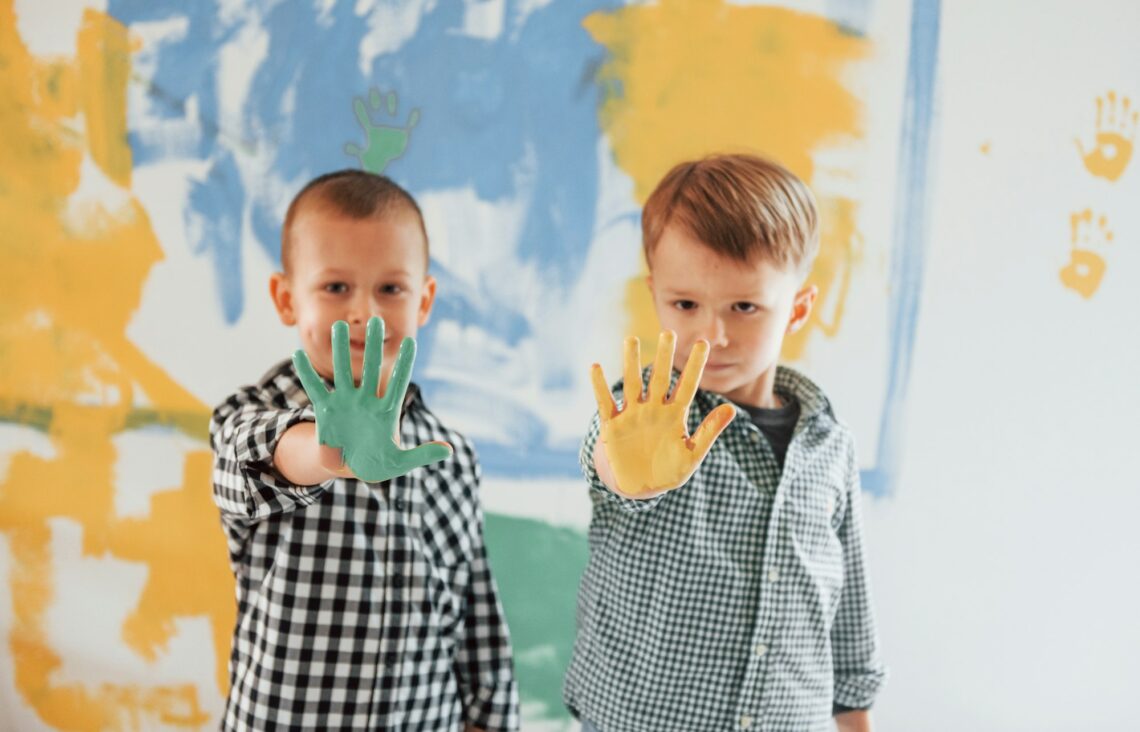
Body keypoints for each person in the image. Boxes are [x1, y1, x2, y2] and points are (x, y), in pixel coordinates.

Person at [564, 154, 886, 732]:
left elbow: (849, 625)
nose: (711, 336)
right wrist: (626, 473)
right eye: (685, 305)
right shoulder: (642, 418)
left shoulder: (830, 446)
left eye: (744, 307)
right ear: (655, 292)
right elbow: (611, 464)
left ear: (798, 309)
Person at [210, 169, 518, 731]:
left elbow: (475, 615)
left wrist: (491, 718)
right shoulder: (252, 413)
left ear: (423, 300)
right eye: (335, 288)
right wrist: (328, 452)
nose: (364, 313)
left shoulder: (451, 455)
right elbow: (243, 461)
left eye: (390, 289)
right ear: (286, 298)